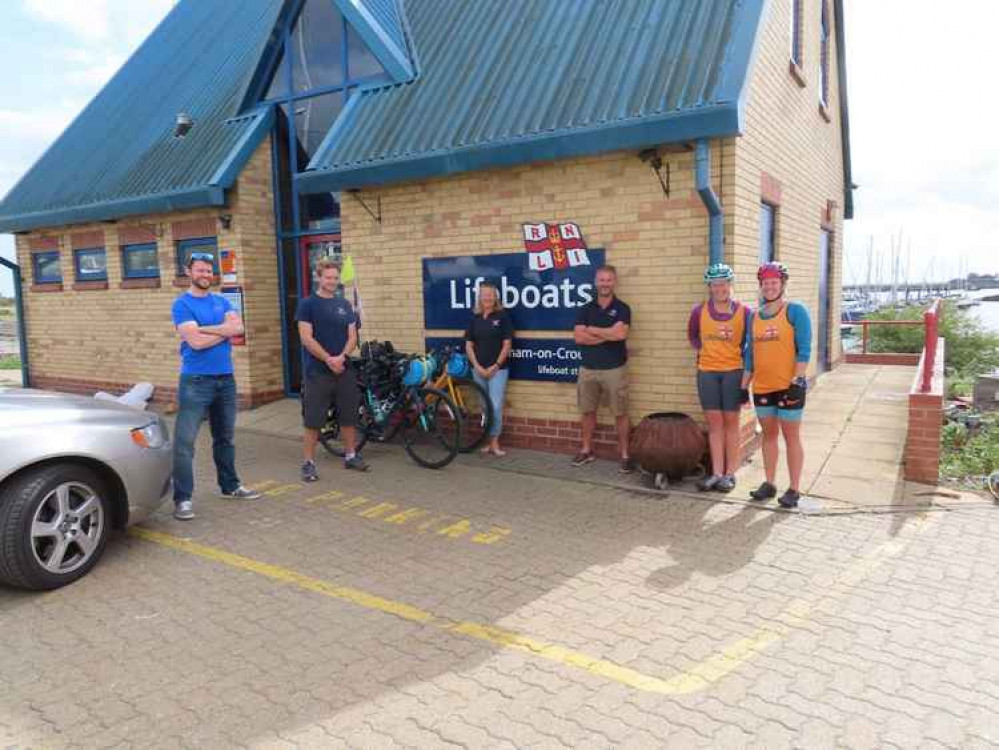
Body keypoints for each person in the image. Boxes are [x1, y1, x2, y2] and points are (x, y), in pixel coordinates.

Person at [170, 252, 261, 521]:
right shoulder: (182, 305)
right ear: (189, 272)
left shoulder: (221, 300)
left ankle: (230, 486)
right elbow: (195, 343)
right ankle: (183, 499)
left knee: (225, 438)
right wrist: (223, 330)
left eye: (209, 271)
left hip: (226, 380)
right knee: (184, 443)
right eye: (200, 270)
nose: (205, 275)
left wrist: (206, 329)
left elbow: (239, 328)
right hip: (195, 381)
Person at [742, 261, 813, 508]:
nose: (769, 287)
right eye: (765, 283)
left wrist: (798, 379)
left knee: (791, 436)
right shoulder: (754, 316)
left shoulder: (795, 311)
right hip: (762, 387)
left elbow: (804, 349)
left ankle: (794, 488)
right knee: (768, 436)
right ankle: (769, 483)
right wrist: (743, 386)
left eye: (774, 283)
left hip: (788, 386)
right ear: (760, 287)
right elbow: (750, 355)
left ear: (782, 284)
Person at [297, 259, 368, 481]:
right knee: (314, 420)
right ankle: (308, 463)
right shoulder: (307, 304)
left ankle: (350, 455)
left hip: (344, 370)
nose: (332, 281)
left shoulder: (345, 305)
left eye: (335, 278)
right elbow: (306, 338)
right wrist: (328, 359)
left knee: (349, 416)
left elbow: (352, 336)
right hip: (318, 373)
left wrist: (341, 357)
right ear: (319, 277)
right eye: (328, 277)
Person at [687, 262, 751, 493]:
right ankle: (716, 473)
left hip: (733, 372)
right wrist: (705, 350)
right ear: (709, 287)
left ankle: (730, 474)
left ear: (729, 285)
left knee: (731, 424)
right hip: (707, 372)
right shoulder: (699, 311)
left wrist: (746, 373)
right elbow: (693, 336)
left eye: (723, 284)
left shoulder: (745, 312)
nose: (719, 289)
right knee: (715, 425)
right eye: (714, 285)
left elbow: (750, 344)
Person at [572, 265, 633, 472]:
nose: (605, 283)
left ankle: (625, 454)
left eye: (608, 280)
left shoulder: (623, 308)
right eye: (601, 280)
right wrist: (608, 333)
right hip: (588, 368)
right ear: (596, 282)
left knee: (620, 412)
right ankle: (586, 450)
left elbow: (620, 335)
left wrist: (593, 331)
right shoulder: (585, 309)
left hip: (615, 369)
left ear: (614, 282)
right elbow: (579, 337)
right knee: (587, 412)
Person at [465, 282, 514, 456]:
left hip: (498, 370)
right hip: (477, 369)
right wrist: (477, 366)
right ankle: (487, 442)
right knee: (484, 406)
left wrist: (496, 365)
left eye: (490, 294)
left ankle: (495, 443)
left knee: (495, 404)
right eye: (484, 294)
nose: (487, 298)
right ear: (480, 297)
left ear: (495, 297)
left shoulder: (503, 317)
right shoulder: (475, 319)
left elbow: (507, 345)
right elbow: (469, 345)